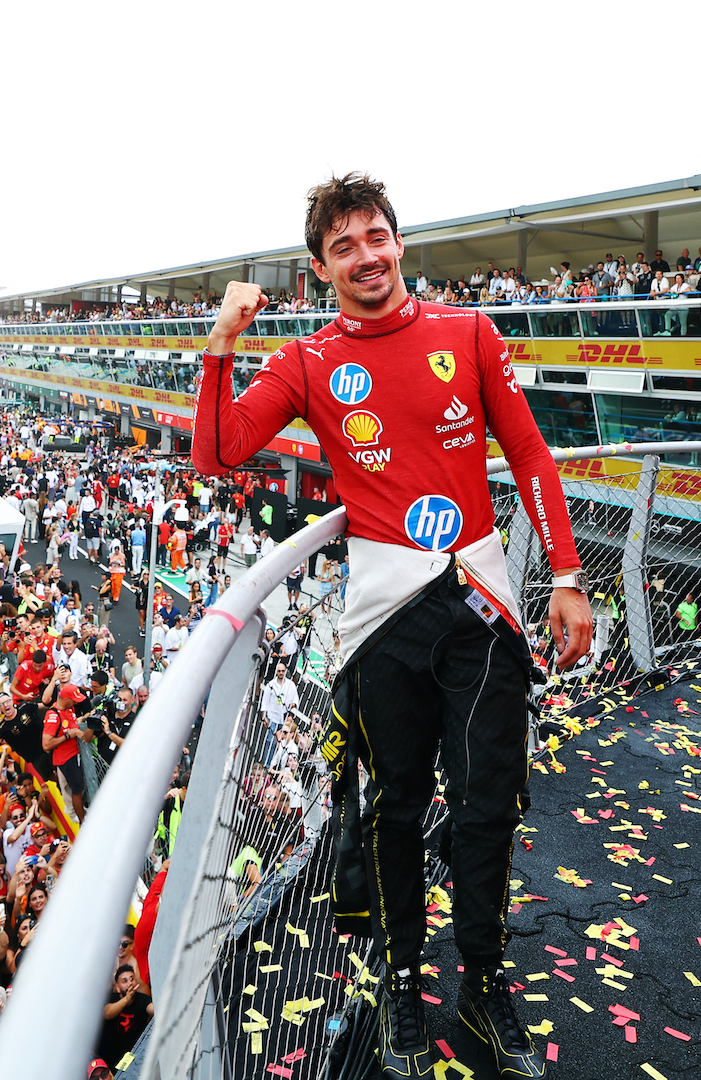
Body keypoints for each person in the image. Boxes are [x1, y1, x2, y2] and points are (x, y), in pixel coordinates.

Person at [190, 173, 591, 1078]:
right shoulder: (306, 360)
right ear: (320, 265)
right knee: (395, 812)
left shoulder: (468, 332)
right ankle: (403, 981)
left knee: (489, 807)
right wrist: (222, 343)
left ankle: (485, 980)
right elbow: (217, 451)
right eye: (344, 246)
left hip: (482, 608)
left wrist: (566, 573)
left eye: (376, 237)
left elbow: (528, 451)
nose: (365, 256)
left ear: (399, 243)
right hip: (383, 624)